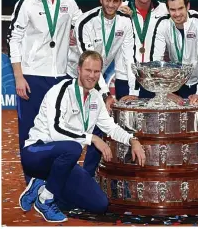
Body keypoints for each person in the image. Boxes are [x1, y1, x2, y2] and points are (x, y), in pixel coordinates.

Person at [18, 50, 146, 223]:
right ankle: (45, 199)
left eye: (96, 72)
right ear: (78, 69)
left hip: (63, 162)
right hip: (36, 152)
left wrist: (132, 140)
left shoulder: (95, 98)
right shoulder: (61, 91)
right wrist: (92, 138)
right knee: (73, 147)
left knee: (99, 204)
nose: (92, 76)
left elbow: (110, 127)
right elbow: (56, 131)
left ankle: (41, 185)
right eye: (88, 70)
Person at [6, 0, 82, 184]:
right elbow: (14, 40)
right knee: (29, 132)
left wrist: (119, 11)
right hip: (31, 77)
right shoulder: (27, 3)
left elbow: (84, 26)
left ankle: (51, 181)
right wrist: (19, 77)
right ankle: (31, 182)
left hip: (59, 78)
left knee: (55, 130)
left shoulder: (69, 2)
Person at [67, 0, 139, 177]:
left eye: (116, 1)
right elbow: (88, 64)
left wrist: (133, 92)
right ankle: (62, 178)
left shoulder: (125, 22)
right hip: (73, 75)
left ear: (120, 2)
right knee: (72, 128)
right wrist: (106, 94)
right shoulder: (85, 21)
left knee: (99, 124)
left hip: (96, 78)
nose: (111, 5)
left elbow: (129, 58)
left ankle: (87, 177)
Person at [150, 0, 198, 104]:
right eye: (172, 10)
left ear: (188, 6)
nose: (177, 14)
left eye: (180, 8)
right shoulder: (163, 23)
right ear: (168, 10)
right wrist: (165, 92)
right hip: (176, 82)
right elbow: (155, 61)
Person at [119, 0, 168, 98]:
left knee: (153, 118)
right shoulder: (120, 8)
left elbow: (184, 16)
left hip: (153, 77)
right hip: (125, 76)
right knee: (124, 118)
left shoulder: (164, 10)